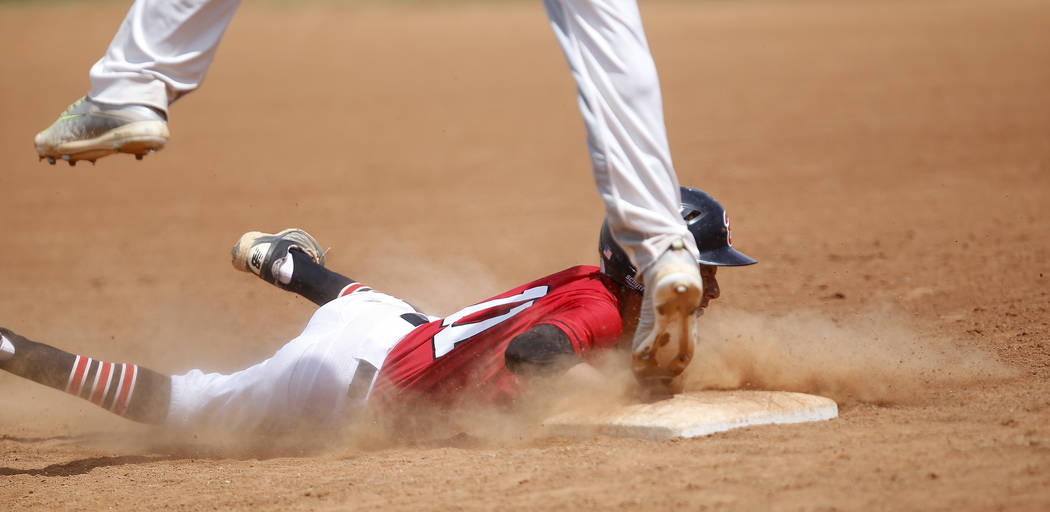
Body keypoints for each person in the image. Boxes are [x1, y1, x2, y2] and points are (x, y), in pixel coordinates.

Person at [0, 188, 754, 434]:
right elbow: (532, 356)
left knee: (405, 314)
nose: (711, 290)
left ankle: (291, 265)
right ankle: (14, 349)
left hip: (387, 329)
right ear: (649, 271)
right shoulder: (600, 311)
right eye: (701, 271)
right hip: (340, 383)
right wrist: (601, 386)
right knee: (186, 404)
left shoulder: (589, 276)